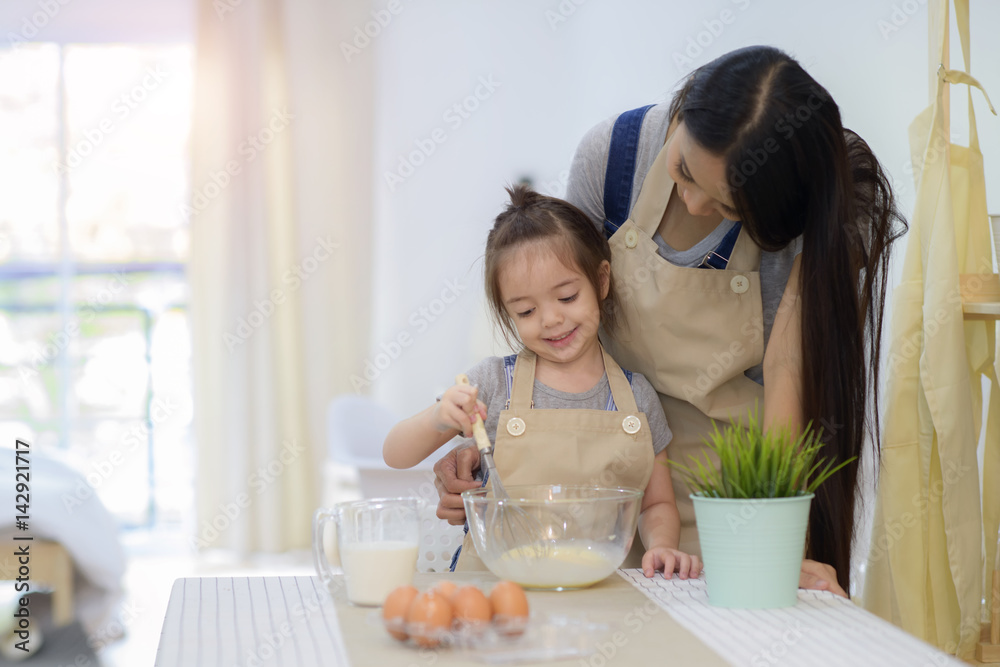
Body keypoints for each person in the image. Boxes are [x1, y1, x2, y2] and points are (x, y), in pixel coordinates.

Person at [432, 45, 906, 597]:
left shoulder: (818, 209)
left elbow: (788, 372)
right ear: (684, 112)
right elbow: (561, 325)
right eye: (684, 170)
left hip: (732, 506)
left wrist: (770, 543)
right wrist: (494, 454)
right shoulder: (612, 158)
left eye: (728, 206)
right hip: (600, 494)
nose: (693, 200)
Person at [384, 184, 701, 579]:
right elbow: (395, 454)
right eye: (527, 310)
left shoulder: (637, 398)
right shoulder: (494, 383)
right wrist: (439, 416)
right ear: (508, 313)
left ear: (601, 282)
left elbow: (656, 505)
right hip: (497, 592)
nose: (551, 320)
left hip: (598, 594)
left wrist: (663, 547)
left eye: (567, 297)